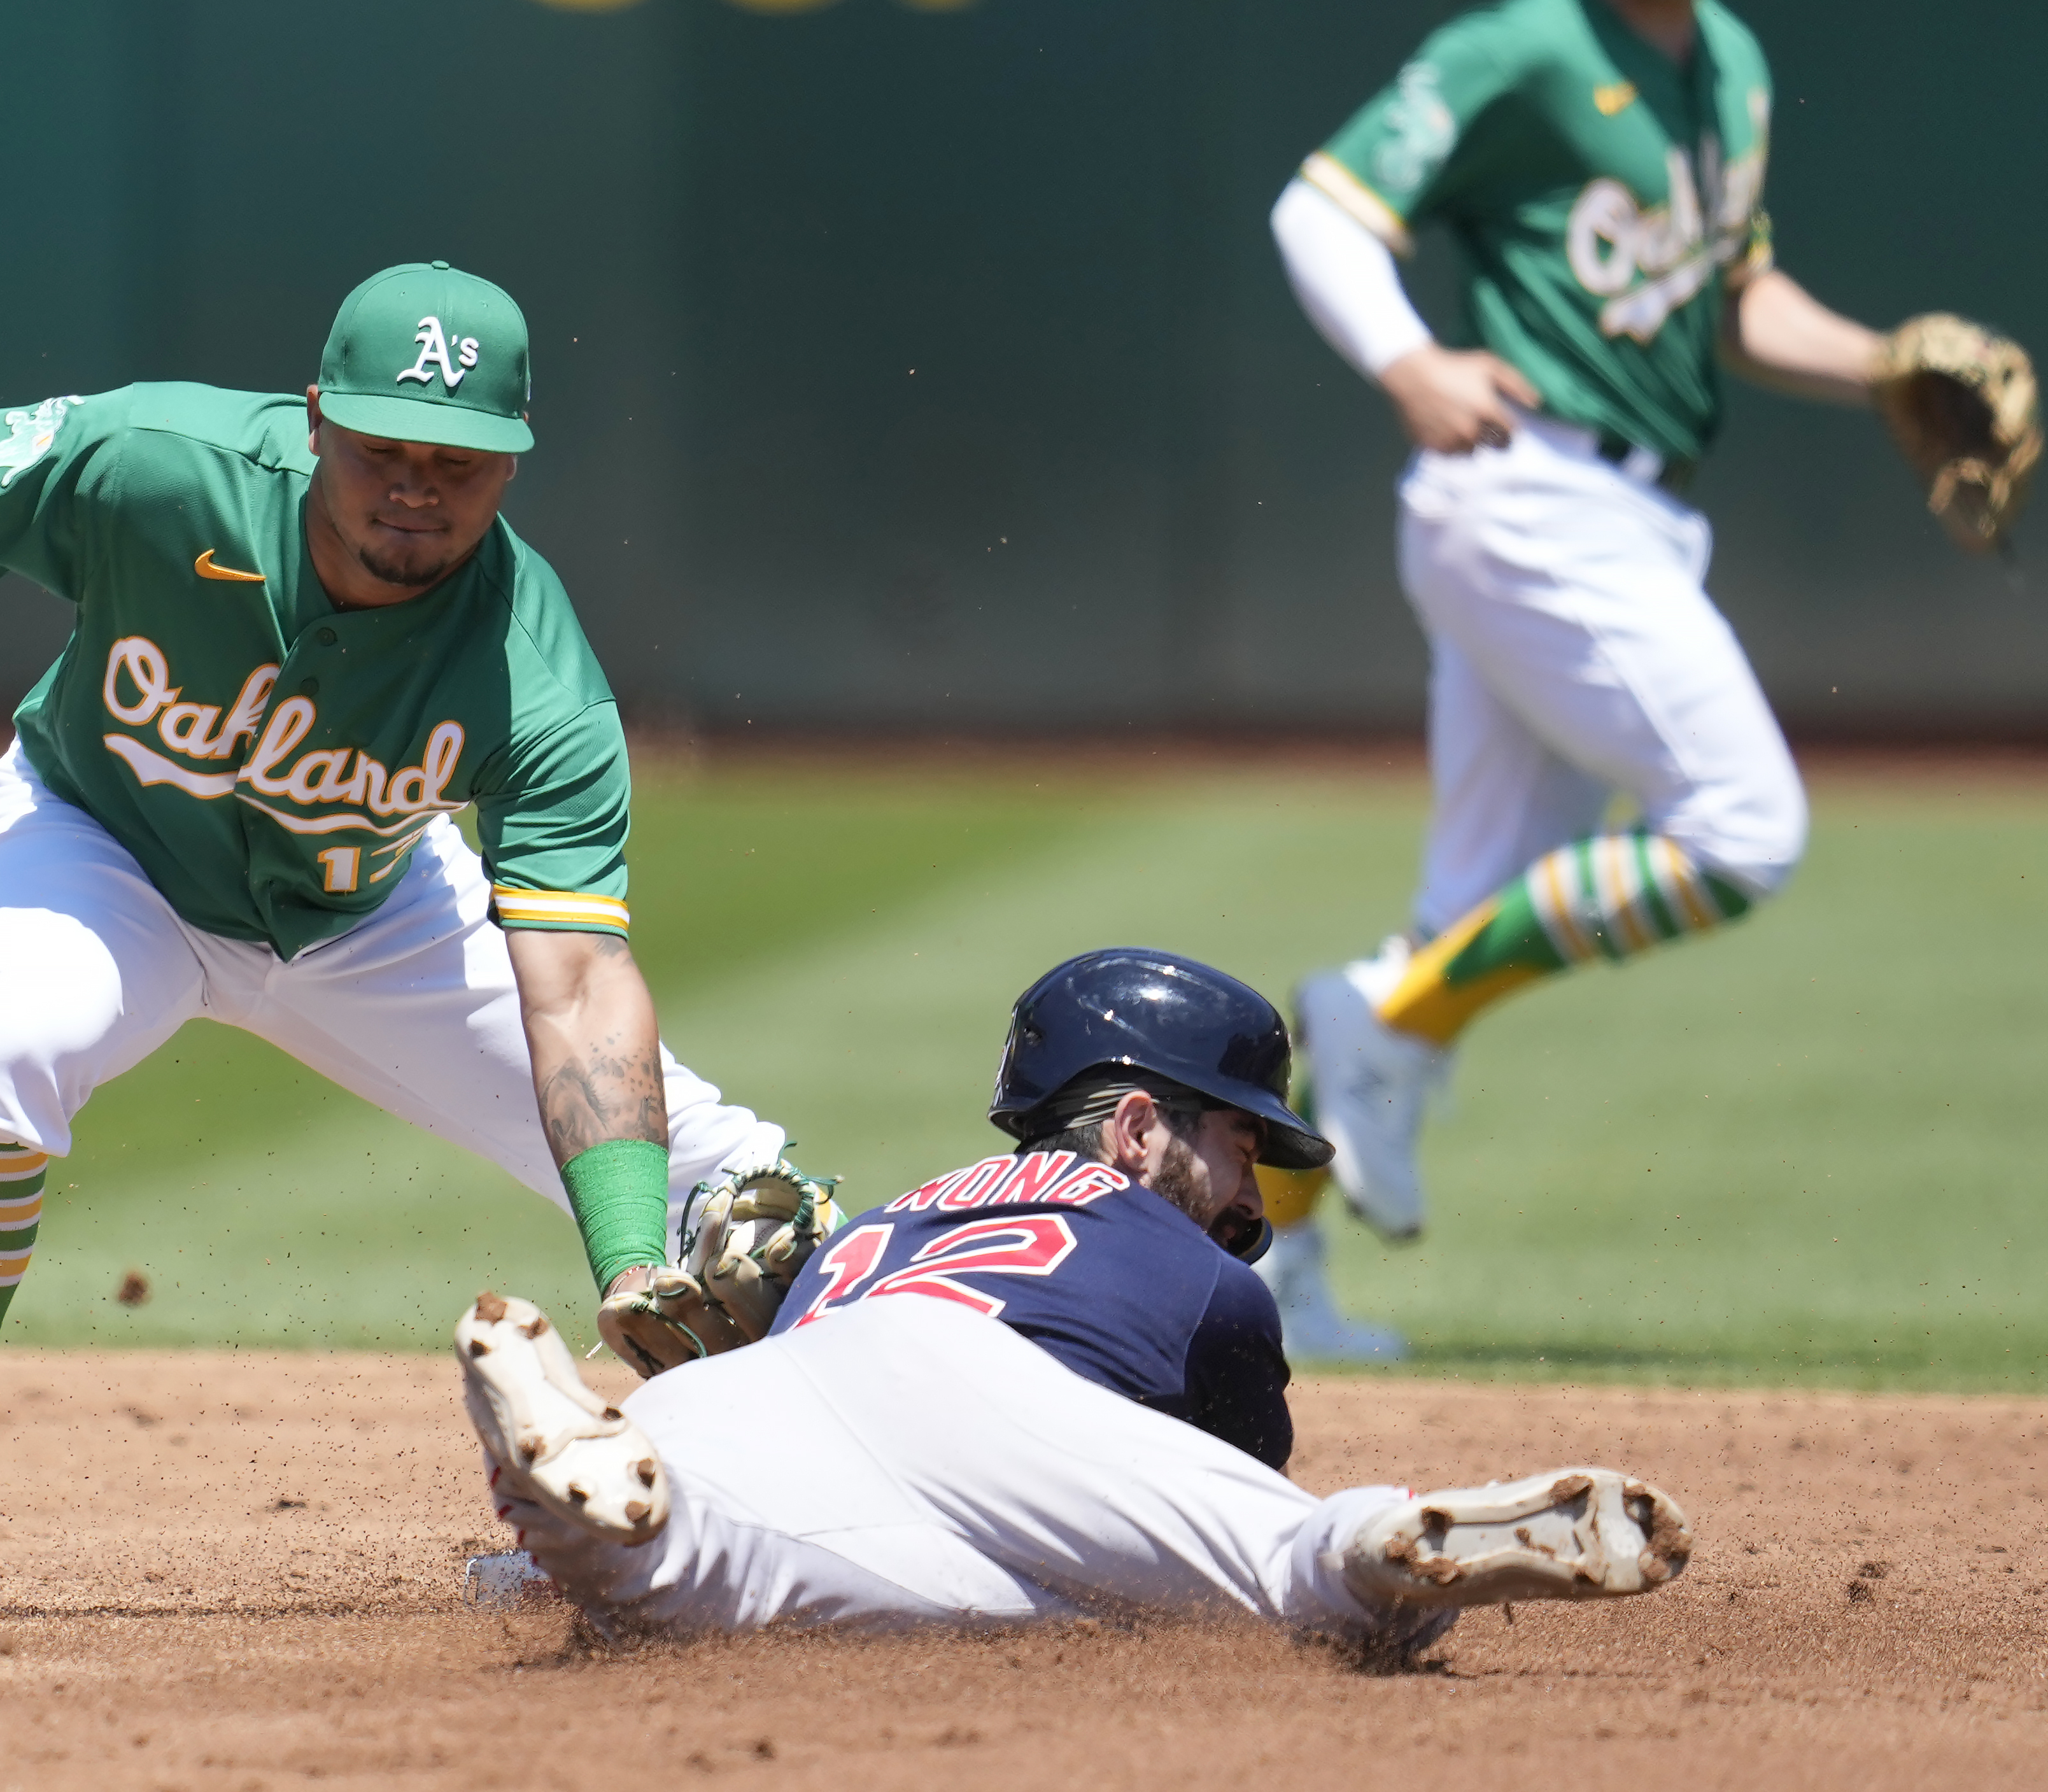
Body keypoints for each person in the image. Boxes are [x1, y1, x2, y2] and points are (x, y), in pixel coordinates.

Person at [0, 262, 819, 1616]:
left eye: (458, 461)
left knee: (739, 1197)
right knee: (1, 1049)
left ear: (513, 464)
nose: (415, 485)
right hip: (105, 842)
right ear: (315, 415)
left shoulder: (533, 663)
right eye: (383, 446)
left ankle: (812, 1489)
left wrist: (629, 1255)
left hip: (369, 908)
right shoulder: (160, 465)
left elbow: (573, 979)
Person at [1257, 0, 1928, 1355]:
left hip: (1628, 509)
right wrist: (1408, 360)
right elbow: (1317, 211)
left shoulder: (1729, 59)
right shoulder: (1526, 44)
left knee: (1468, 909)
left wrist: (1886, 368)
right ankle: (1388, 1015)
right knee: (1743, 829)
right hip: (1530, 492)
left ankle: (1269, 1282)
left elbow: (1735, 298)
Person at [451, 949, 1692, 1642]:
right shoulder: (1203, 1276)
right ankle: (1377, 1546)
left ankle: (595, 1530)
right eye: (1240, 1145)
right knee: (1278, 1593)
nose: (1253, 1199)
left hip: (737, 1394)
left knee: (914, 1601)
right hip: (990, 1394)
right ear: (1142, 1126)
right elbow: (1188, 1521)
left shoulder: (888, 1215)